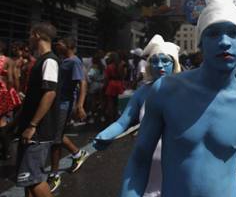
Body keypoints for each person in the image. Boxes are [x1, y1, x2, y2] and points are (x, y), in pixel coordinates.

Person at [120, 0, 236, 197]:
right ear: (200, 43)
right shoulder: (166, 91)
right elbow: (140, 160)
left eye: (233, 33)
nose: (224, 41)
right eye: (213, 33)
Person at [94, 34, 180, 197]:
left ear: (174, 64)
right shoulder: (142, 92)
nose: (159, 66)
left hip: (177, 170)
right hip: (145, 168)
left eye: (165, 61)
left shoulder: (186, 91)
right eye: (154, 61)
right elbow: (123, 122)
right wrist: (106, 134)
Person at [15, 22, 60, 197]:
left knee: (33, 181)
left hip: (39, 132)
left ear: (37, 35)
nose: (28, 38)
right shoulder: (42, 61)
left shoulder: (49, 61)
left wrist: (33, 125)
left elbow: (50, 93)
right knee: (27, 181)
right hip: (32, 129)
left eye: (30, 34)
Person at [47, 37, 89, 192]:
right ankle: (78, 153)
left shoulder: (74, 61)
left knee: (55, 140)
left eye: (60, 43)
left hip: (65, 104)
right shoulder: (63, 60)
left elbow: (82, 82)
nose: (57, 45)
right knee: (55, 134)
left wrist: (79, 105)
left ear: (68, 46)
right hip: (58, 102)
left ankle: (54, 175)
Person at [104, 51, 125, 123]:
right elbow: (123, 76)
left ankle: (111, 119)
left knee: (111, 103)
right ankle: (117, 118)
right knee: (117, 103)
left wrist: (105, 86)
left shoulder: (109, 67)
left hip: (111, 84)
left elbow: (106, 78)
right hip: (119, 84)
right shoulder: (121, 66)